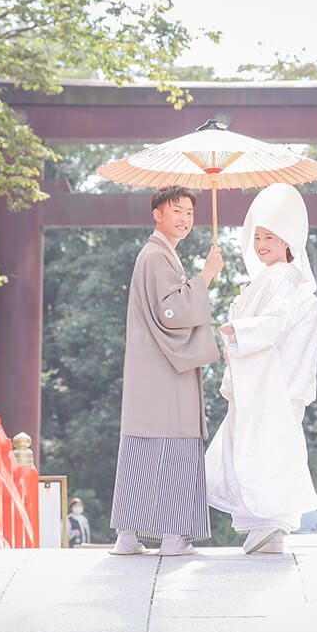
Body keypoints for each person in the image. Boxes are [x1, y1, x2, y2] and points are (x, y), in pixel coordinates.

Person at [205, 183, 317, 554]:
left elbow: (275, 322)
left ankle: (268, 525)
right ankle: (267, 527)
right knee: (267, 448)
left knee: (257, 447)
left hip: (267, 382)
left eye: (270, 237)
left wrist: (238, 331)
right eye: (257, 237)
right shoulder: (281, 280)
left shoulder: (278, 280)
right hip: (273, 380)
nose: (261, 244)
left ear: (288, 241)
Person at [110, 185, 224, 556]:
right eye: (177, 210)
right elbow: (171, 312)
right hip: (164, 371)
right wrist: (206, 276)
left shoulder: (159, 255)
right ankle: (174, 536)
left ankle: (128, 535)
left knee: (142, 448)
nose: (185, 219)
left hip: (153, 370)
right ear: (156, 213)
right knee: (175, 445)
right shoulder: (157, 256)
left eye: (190, 212)